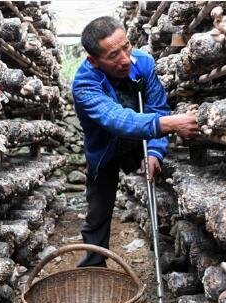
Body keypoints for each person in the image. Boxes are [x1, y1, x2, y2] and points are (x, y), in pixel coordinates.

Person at [72, 16, 198, 267]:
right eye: (113, 55)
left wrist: (154, 151)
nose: (125, 59)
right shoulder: (84, 83)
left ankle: (172, 254)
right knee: (98, 212)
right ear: (94, 61)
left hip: (139, 142)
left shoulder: (143, 63)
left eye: (126, 47)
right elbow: (116, 120)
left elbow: (158, 107)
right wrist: (171, 124)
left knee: (163, 184)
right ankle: (94, 269)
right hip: (104, 150)